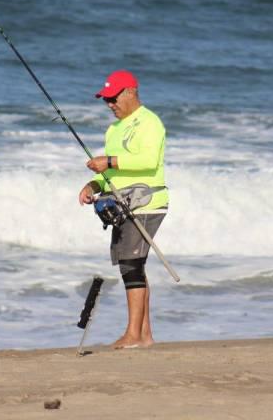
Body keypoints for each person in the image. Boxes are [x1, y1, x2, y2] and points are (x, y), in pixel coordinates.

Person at [78, 70, 169, 349]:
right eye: (105, 100)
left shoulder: (150, 122)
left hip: (146, 202)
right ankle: (144, 336)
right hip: (121, 204)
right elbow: (112, 173)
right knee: (134, 264)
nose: (109, 104)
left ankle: (133, 335)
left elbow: (148, 159)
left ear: (130, 92)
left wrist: (109, 161)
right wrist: (93, 185)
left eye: (113, 98)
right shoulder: (114, 129)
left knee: (131, 264)